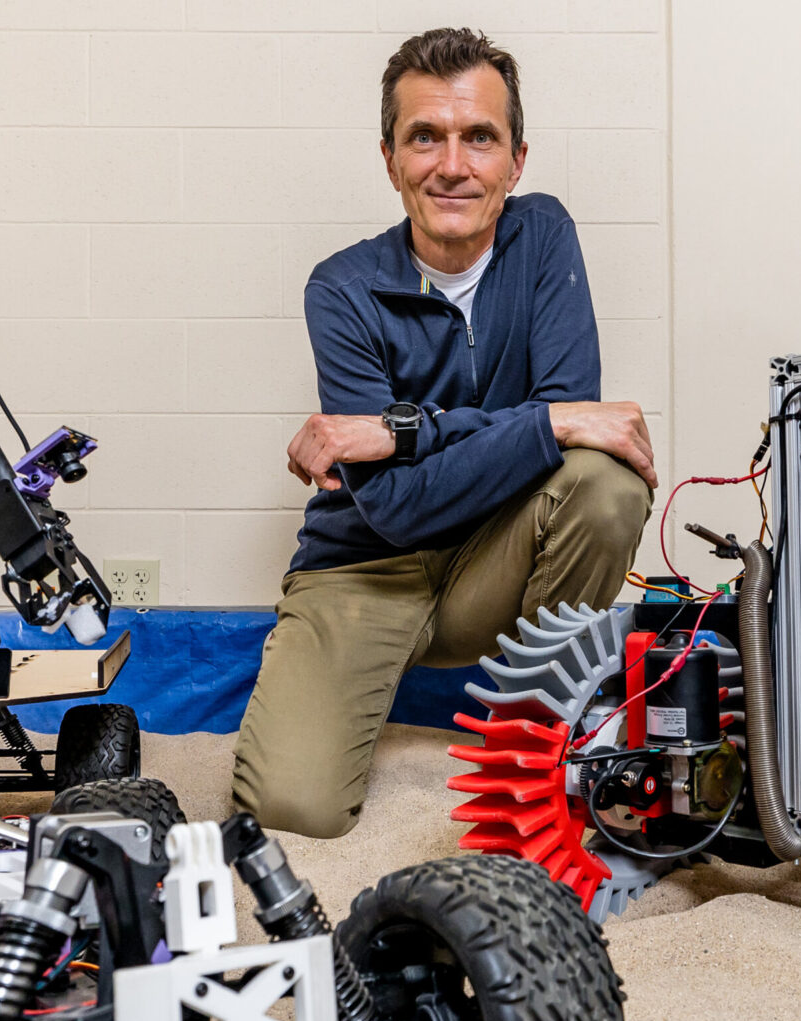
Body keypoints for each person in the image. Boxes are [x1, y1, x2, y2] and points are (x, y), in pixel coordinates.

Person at [230, 27, 656, 838]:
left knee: (605, 485)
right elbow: (395, 509)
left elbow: (576, 439)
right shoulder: (342, 288)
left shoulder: (543, 236)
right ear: (390, 159)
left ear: (516, 161)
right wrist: (544, 419)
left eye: (479, 138)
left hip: (495, 557)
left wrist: (400, 431)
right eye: (425, 137)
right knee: (290, 810)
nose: (452, 165)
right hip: (364, 570)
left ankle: (536, 751)